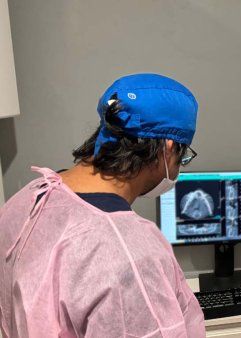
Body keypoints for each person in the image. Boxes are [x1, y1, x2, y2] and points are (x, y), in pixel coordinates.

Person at [0, 73, 205, 337]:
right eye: (183, 156)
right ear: (167, 149)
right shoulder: (132, 255)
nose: (179, 167)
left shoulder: (28, 199)